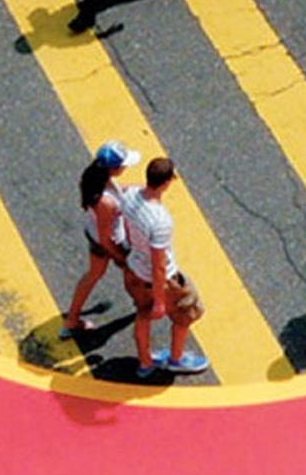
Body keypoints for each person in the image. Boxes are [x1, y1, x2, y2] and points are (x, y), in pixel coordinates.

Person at [117, 157, 208, 378]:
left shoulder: (128, 196)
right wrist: (160, 299)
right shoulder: (160, 221)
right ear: (167, 182)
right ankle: (176, 359)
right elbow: (159, 266)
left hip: (133, 272)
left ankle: (145, 363)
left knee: (143, 314)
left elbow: (127, 188)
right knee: (187, 313)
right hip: (159, 280)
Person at [61, 141, 138, 338]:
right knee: (134, 272)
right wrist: (118, 256)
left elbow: (116, 192)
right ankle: (145, 305)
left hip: (94, 234)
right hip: (108, 242)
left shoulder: (94, 179)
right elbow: (106, 237)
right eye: (123, 164)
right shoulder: (105, 203)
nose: (126, 167)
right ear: (113, 168)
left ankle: (71, 320)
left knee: (93, 275)